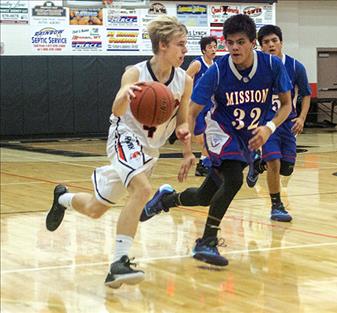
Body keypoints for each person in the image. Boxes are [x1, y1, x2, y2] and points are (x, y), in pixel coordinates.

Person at [45, 15, 195, 288]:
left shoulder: (184, 81)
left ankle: (62, 198)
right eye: (180, 45)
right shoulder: (135, 73)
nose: (185, 50)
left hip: (150, 150)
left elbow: (183, 121)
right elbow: (116, 110)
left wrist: (186, 144)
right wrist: (125, 95)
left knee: (94, 208)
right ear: (163, 45)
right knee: (143, 191)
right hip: (124, 137)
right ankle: (118, 262)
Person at [140, 14, 293, 266]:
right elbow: (190, 110)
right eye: (230, 42)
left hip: (249, 134)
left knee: (205, 196)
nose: (234, 47)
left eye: (240, 42)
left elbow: (286, 105)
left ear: (253, 43)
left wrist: (269, 127)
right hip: (220, 130)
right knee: (233, 179)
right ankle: (207, 241)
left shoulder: (272, 66)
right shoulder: (218, 71)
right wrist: (189, 149)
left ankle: (166, 199)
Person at [246, 24, 312, 222]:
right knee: (274, 162)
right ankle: (276, 206)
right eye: (266, 42)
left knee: (286, 168)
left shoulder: (295, 66)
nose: (271, 45)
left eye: (274, 41)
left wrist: (301, 117)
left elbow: (307, 94)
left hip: (288, 122)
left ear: (281, 43)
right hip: (266, 123)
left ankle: (257, 165)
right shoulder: (257, 67)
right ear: (260, 46)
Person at [185, 36, 218, 177]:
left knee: (210, 137)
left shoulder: (215, 65)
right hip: (197, 106)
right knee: (202, 139)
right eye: (210, 47)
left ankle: (204, 165)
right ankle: (204, 163)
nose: (213, 49)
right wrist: (187, 99)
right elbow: (185, 79)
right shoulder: (198, 63)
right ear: (204, 49)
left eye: (215, 46)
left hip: (210, 106)